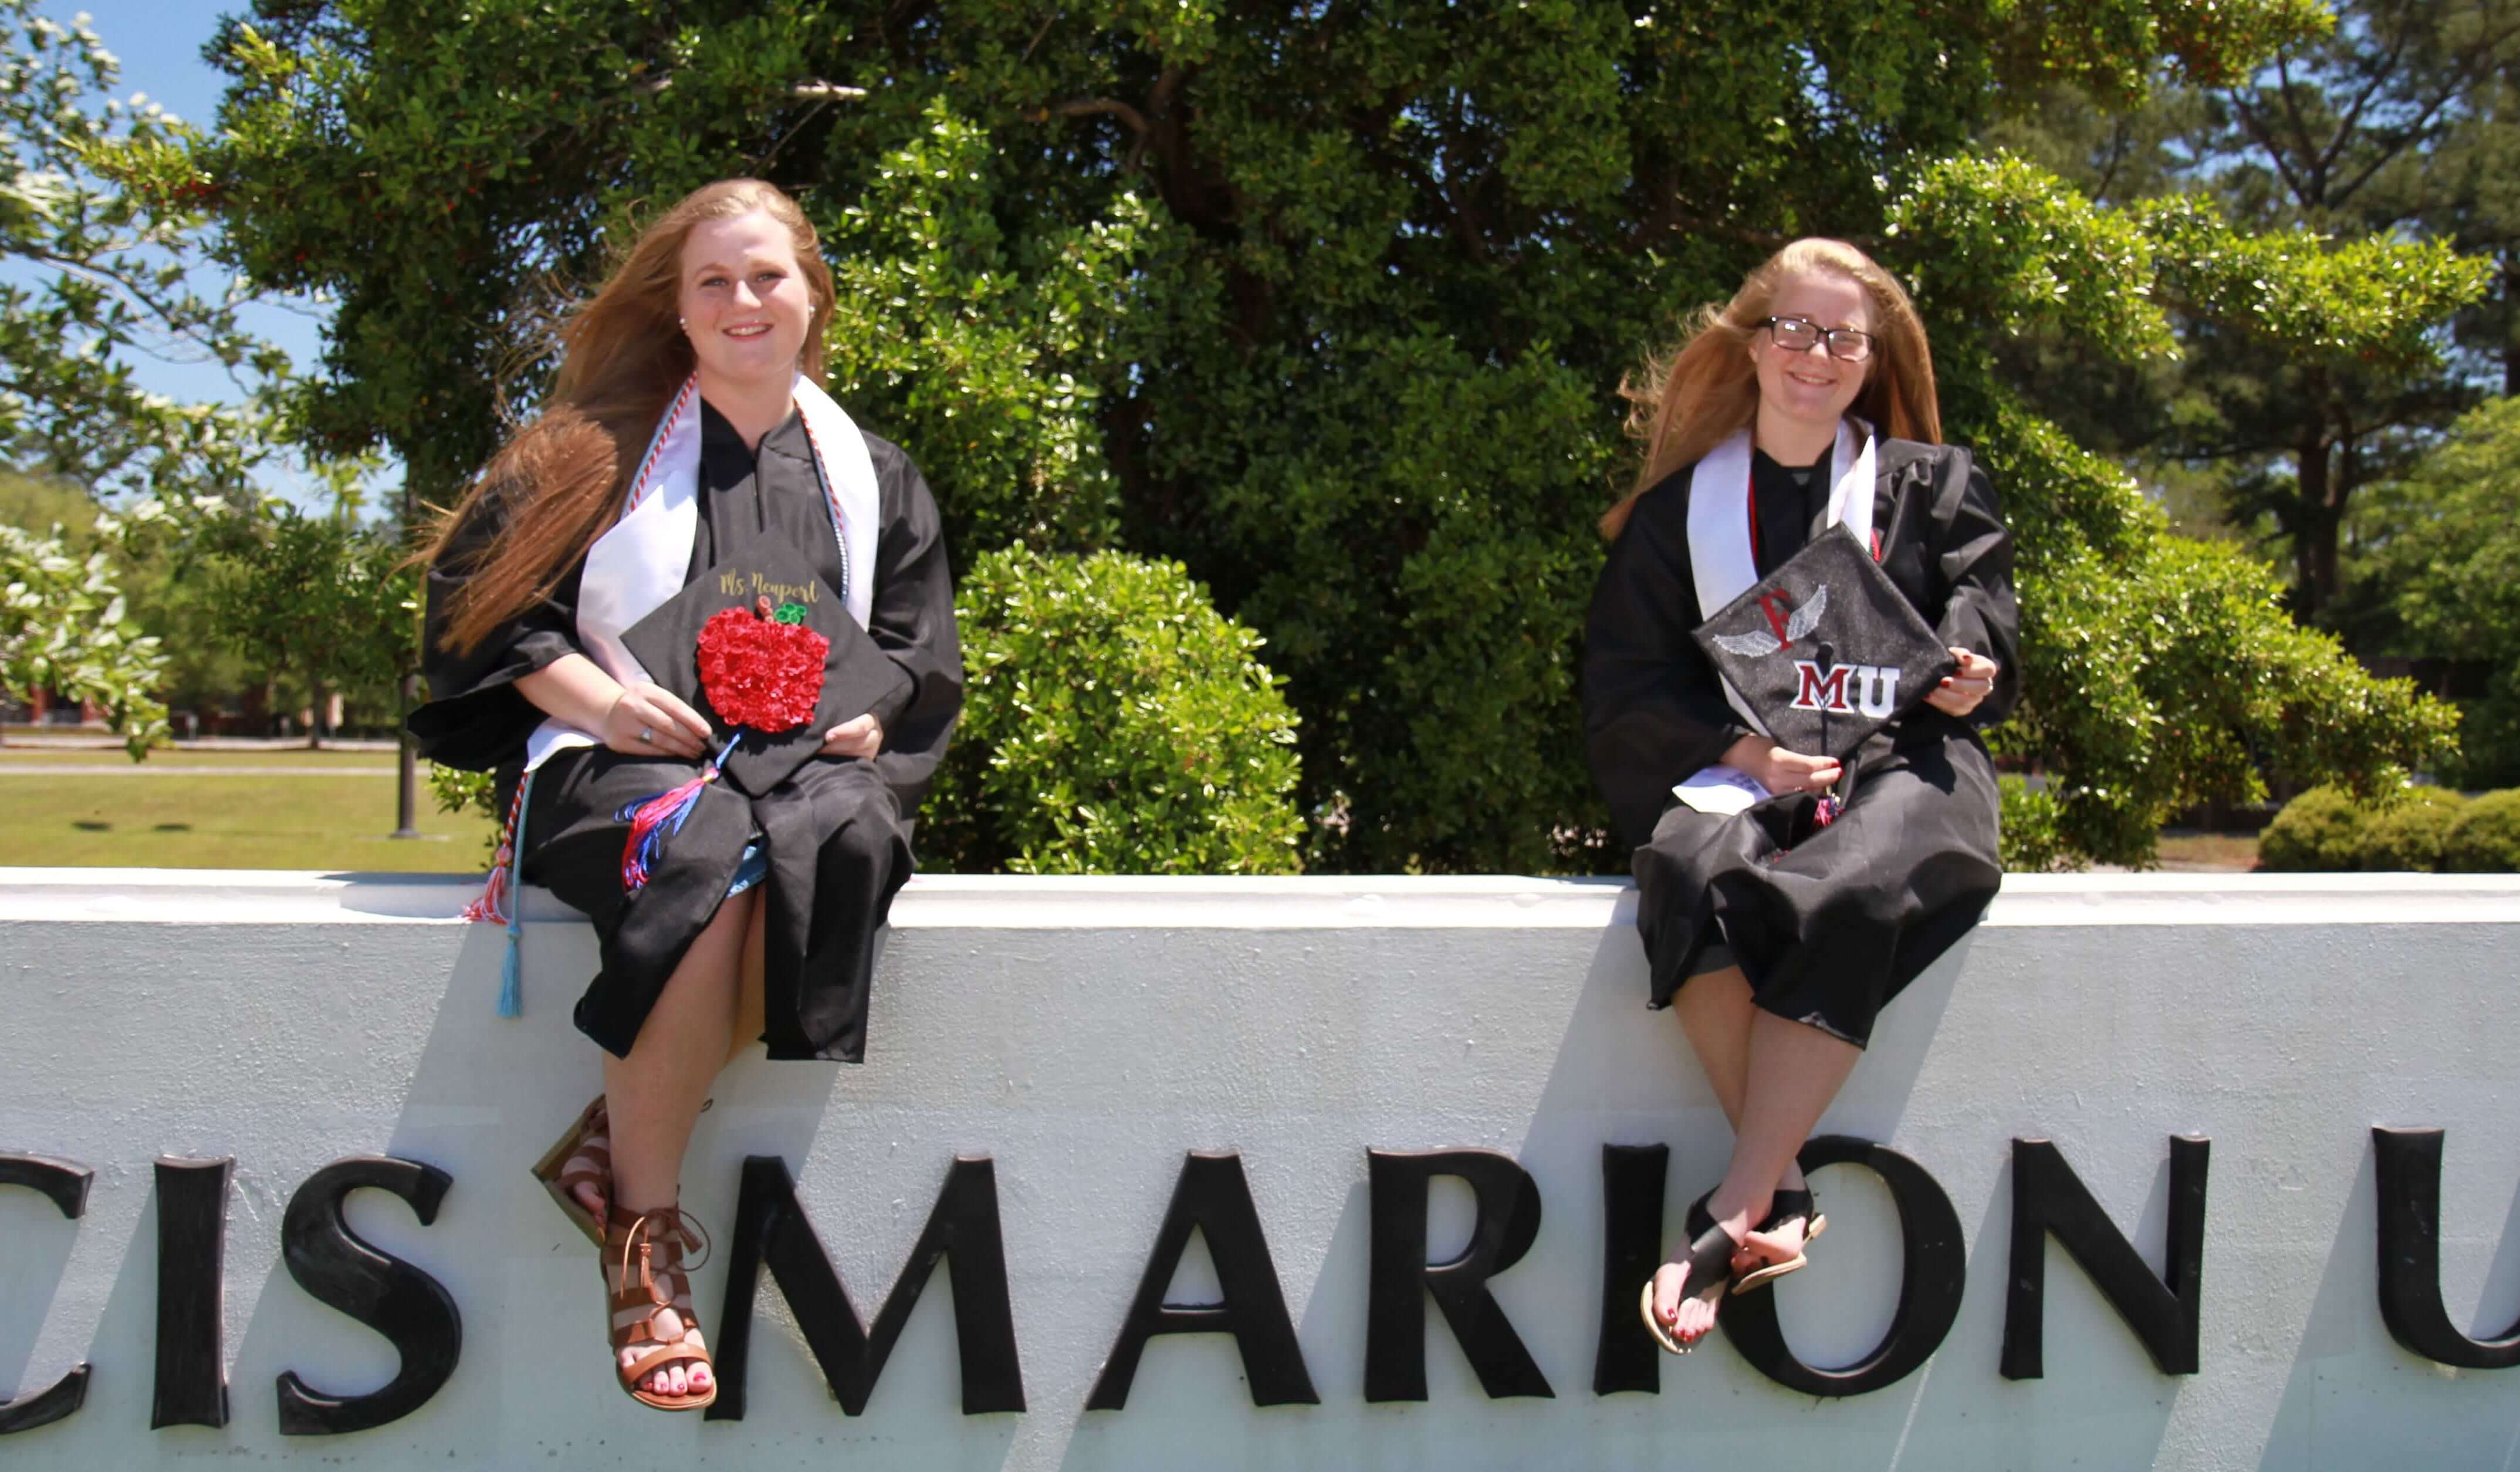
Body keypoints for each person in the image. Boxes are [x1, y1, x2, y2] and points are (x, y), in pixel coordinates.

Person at [409, 179, 962, 1410]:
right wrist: (603, 705)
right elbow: (475, 624)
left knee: (846, 839)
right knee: (706, 848)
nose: (742, 302)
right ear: (678, 303)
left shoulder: (871, 474)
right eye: (712, 281)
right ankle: (645, 1246)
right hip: (615, 769)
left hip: (811, 768)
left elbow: (923, 655)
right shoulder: (587, 456)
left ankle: (608, 1147)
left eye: (766, 276)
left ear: (813, 294)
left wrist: (876, 714)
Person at [1581, 238, 2017, 1353]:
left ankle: (1737, 1202)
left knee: (1857, 881)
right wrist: (1743, 750)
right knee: (1684, 868)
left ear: (1872, 359)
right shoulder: (1690, 506)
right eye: (1794, 330)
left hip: (1907, 765)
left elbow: (1981, 618)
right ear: (1756, 339)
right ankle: (1777, 1193)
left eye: (1842, 337)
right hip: (1756, 765)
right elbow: (1629, 680)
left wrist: (1969, 671)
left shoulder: (1931, 484)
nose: (1814, 355)